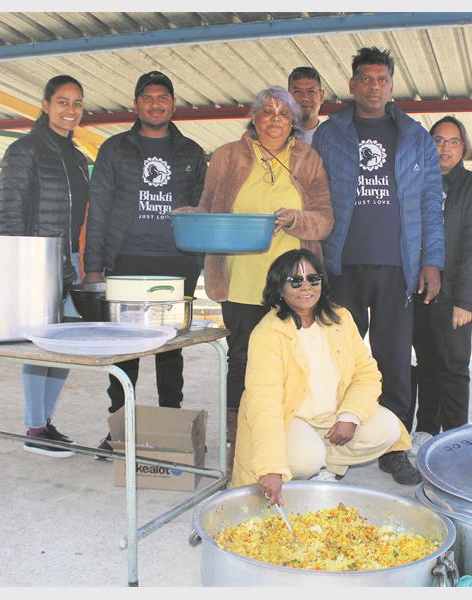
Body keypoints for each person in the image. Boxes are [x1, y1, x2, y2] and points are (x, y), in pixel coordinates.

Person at [178, 85, 333, 472]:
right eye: (267, 111)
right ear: (254, 117)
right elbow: (211, 209)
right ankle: (239, 439)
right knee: (243, 359)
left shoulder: (308, 159)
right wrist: (192, 216)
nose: (275, 118)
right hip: (242, 281)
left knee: (296, 360)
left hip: (294, 285)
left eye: (284, 112)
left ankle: (291, 434)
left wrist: (296, 219)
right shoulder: (228, 156)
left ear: (294, 120)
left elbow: (325, 219)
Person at [312, 47, 445, 485]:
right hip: (343, 263)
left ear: (391, 85)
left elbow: (429, 204)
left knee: (392, 357)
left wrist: (431, 261)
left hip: (398, 266)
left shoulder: (414, 136)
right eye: (366, 79)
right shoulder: (331, 134)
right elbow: (315, 193)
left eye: (382, 79)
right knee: (340, 357)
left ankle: (395, 445)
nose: (374, 86)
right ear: (352, 85)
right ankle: (335, 440)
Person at [83, 71, 207, 455]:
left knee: (171, 348)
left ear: (173, 103)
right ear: (136, 104)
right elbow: (99, 209)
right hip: (126, 258)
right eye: (148, 98)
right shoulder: (115, 149)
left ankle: (171, 424)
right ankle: (120, 429)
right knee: (126, 350)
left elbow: (205, 207)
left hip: (176, 261)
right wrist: (93, 265)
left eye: (163, 97)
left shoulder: (191, 152)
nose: (156, 104)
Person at [231, 249, 411, 503]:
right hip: (291, 420)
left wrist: (350, 415)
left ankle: (326, 465)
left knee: (388, 429)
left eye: (313, 279)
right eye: (295, 281)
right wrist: (270, 468)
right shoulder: (267, 334)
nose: (306, 287)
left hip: (333, 416)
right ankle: (313, 461)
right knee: (305, 459)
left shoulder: (340, 319)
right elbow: (264, 402)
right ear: (279, 288)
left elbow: (366, 372)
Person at [0, 74, 89, 457]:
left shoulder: (79, 158)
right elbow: (8, 208)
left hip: (71, 259)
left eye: (77, 103)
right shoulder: (24, 150)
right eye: (63, 101)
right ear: (46, 105)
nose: (71, 110)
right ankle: (34, 427)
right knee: (39, 346)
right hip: (35, 259)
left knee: (67, 345)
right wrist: (18, 260)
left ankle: (46, 423)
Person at [410, 116, 472, 439]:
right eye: (438, 141)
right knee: (426, 365)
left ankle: (455, 437)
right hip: (420, 293)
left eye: (453, 141)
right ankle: (427, 430)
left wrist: (466, 301)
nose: (445, 148)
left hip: (456, 297)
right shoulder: (415, 184)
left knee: (453, 369)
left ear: (464, 148)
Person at [288, 66, 325, 145]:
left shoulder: (336, 138)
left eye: (311, 91)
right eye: (297, 91)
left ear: (321, 96)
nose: (304, 97)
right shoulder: (273, 138)